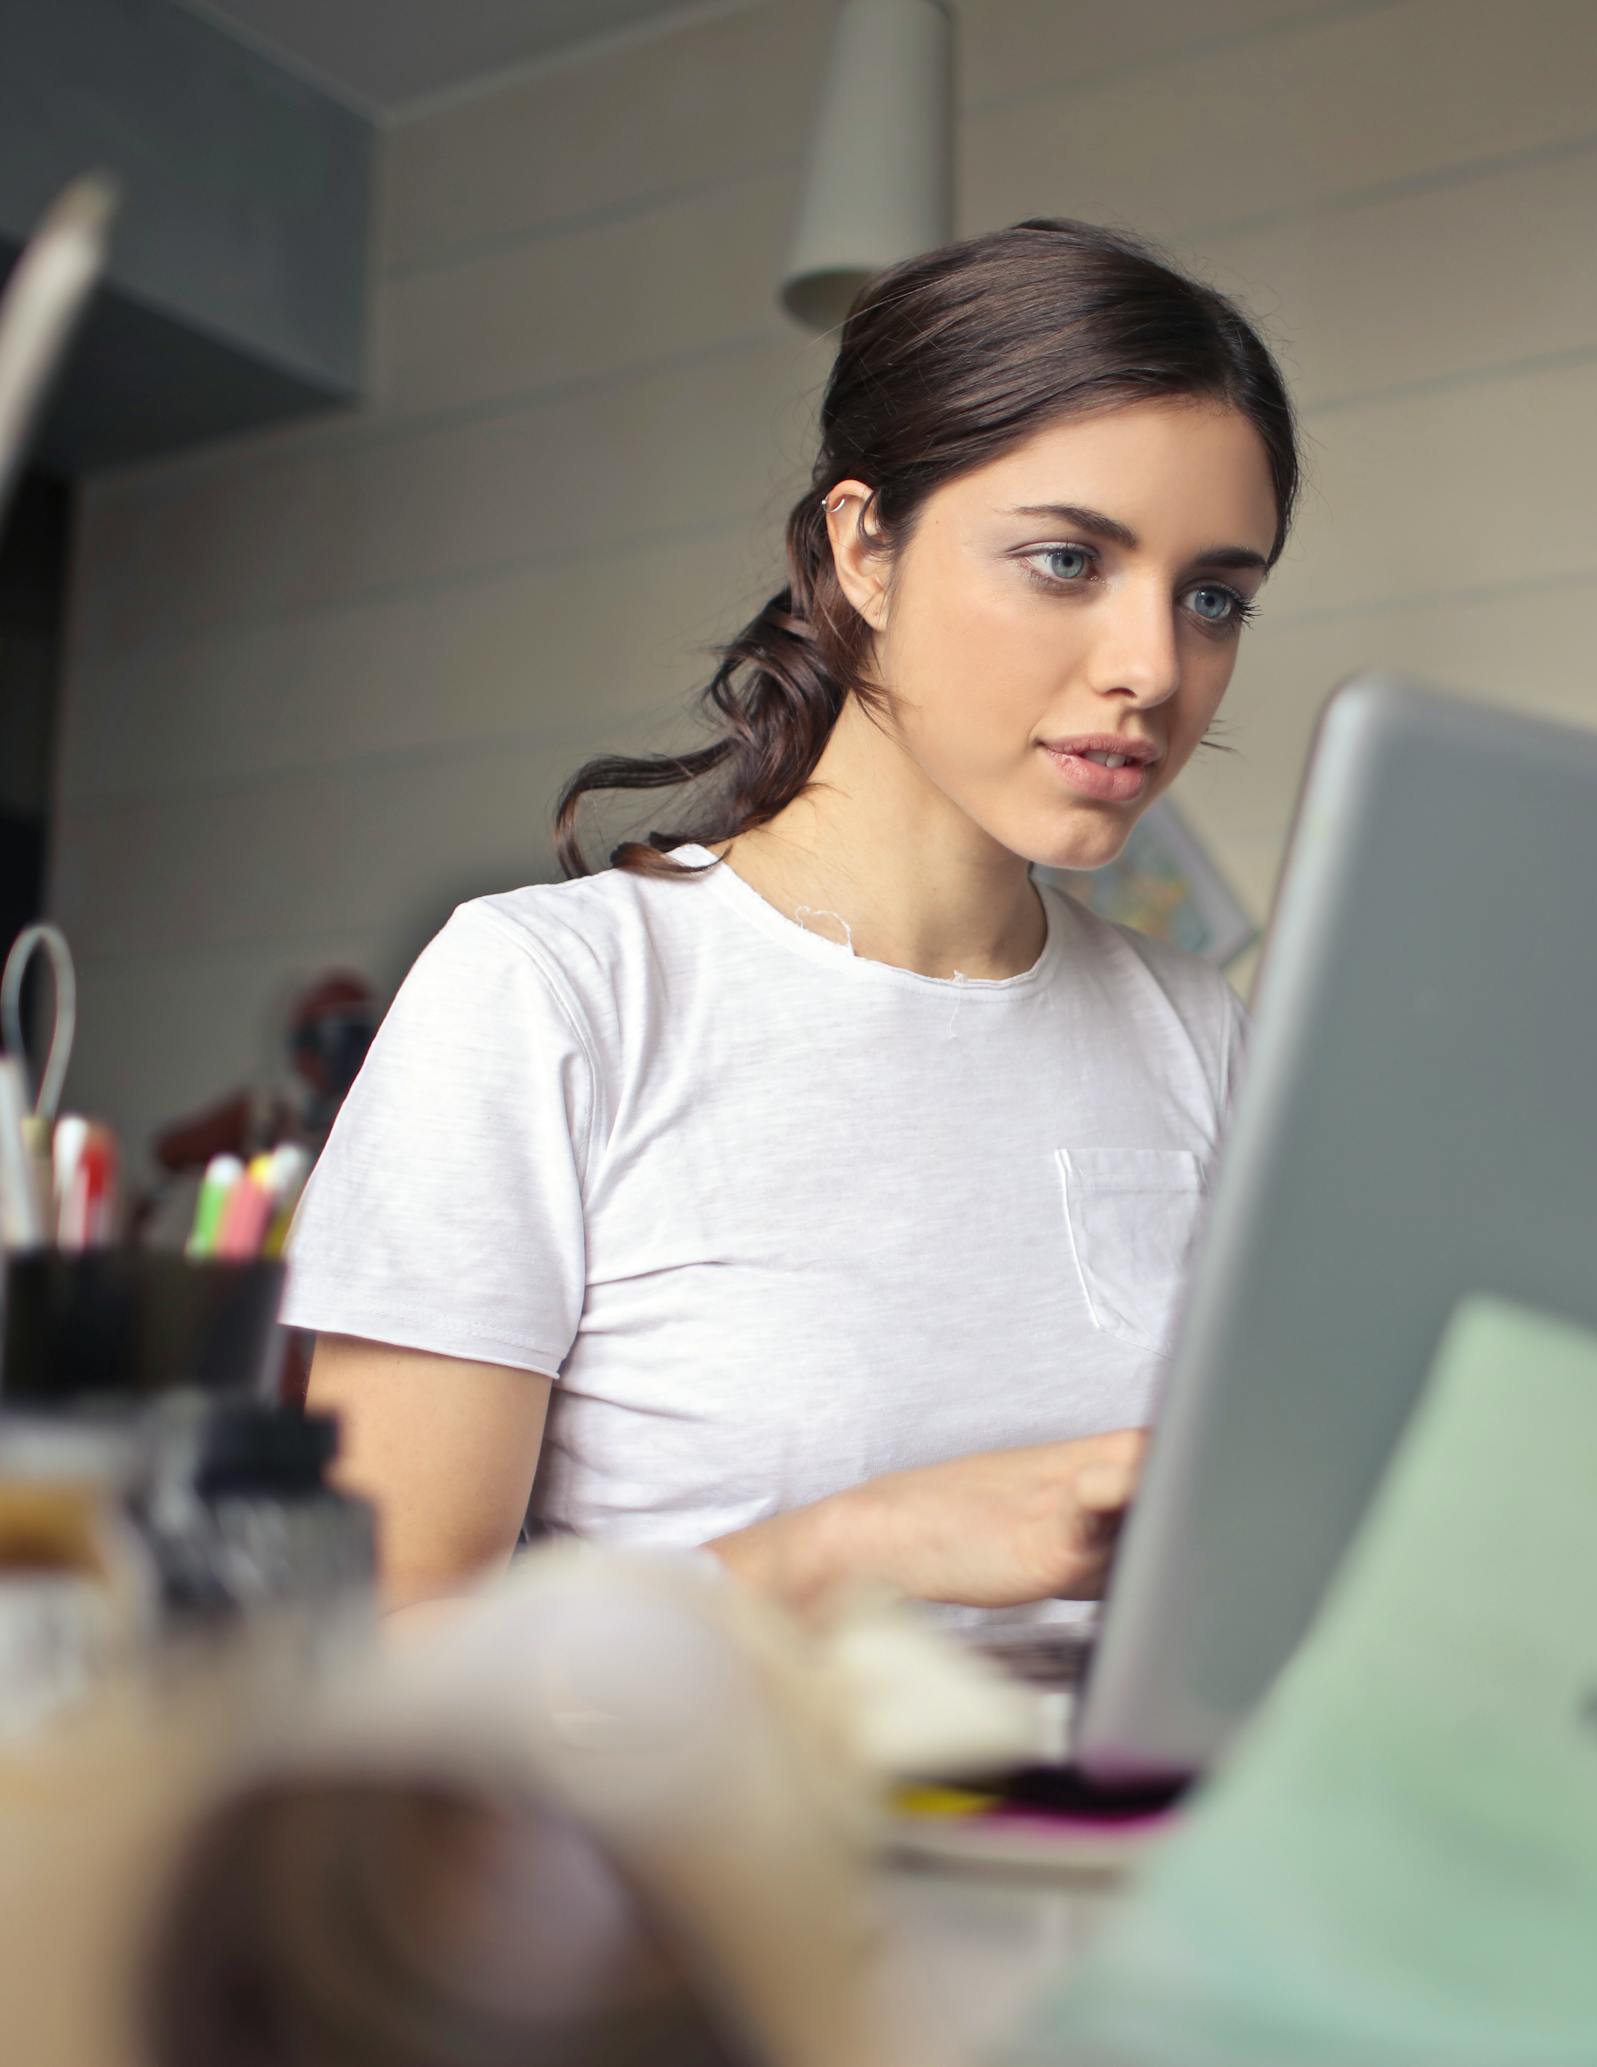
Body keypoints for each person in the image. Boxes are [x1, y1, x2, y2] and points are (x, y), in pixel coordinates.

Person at [284, 217, 1301, 1625]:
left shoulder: (1203, 1036)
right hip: (724, 1841)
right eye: (1068, 561)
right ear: (864, 549)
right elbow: (372, 1670)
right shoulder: (550, 995)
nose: (1153, 668)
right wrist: (837, 1552)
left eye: (1212, 598)